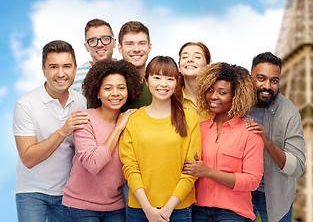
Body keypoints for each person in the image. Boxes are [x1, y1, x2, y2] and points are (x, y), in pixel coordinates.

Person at [119, 56, 201, 222]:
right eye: (157, 77)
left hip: (178, 210)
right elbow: (130, 168)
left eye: (170, 79)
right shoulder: (133, 119)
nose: (163, 84)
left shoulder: (190, 119)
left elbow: (191, 170)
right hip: (139, 209)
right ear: (147, 80)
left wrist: (168, 208)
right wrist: (148, 209)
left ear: (177, 82)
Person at [13, 40, 88, 222]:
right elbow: (28, 159)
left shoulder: (80, 102)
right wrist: (63, 131)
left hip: (67, 193)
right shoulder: (25, 105)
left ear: (75, 69)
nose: (61, 73)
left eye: (67, 66)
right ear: (43, 70)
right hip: (32, 192)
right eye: (53, 67)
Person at [182, 62, 264, 221]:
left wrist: (208, 172)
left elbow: (252, 181)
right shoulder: (199, 129)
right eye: (211, 90)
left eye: (222, 92)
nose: (213, 96)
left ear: (236, 96)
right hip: (198, 212)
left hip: (233, 215)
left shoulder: (250, 133)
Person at [62, 60, 142, 221]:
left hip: (116, 206)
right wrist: (118, 128)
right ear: (97, 93)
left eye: (121, 88)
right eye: (107, 88)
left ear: (129, 91)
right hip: (80, 206)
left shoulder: (131, 121)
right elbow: (93, 163)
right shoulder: (85, 119)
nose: (115, 93)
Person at [246, 52, 306, 222]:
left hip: (274, 194)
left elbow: (297, 167)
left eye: (274, 81)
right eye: (261, 78)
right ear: (250, 77)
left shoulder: (289, 113)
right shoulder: (236, 102)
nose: (267, 86)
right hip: (240, 191)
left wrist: (266, 141)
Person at [71, 18, 116, 94]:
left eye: (105, 38)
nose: (99, 45)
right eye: (93, 40)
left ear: (114, 42)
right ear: (86, 47)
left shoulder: (128, 70)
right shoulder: (74, 76)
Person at [118, 21, 152, 109]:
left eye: (142, 43)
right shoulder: (108, 82)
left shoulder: (159, 82)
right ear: (120, 48)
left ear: (149, 47)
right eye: (129, 44)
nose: (136, 49)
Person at [177, 42, 213, 122]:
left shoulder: (216, 98)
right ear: (179, 67)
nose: (189, 60)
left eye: (197, 57)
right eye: (185, 57)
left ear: (207, 67)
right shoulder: (172, 100)